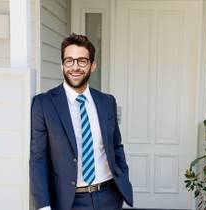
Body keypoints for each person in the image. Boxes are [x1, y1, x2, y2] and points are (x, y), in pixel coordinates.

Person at [30, 33, 133, 210]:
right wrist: (43, 206)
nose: (75, 67)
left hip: (109, 196)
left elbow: (116, 146)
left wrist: (122, 178)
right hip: (69, 201)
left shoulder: (107, 102)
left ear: (92, 65)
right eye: (69, 60)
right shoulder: (43, 104)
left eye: (82, 61)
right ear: (62, 65)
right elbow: (38, 159)